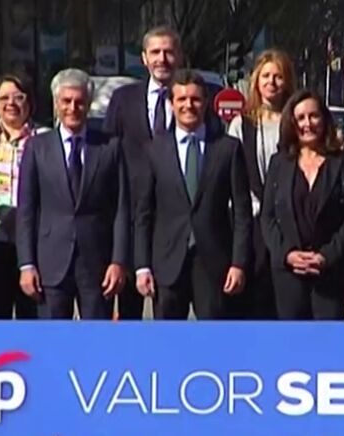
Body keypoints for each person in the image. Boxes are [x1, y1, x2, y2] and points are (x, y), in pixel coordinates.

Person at [134, 70, 251, 319]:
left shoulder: (227, 149)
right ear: (171, 103)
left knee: (213, 338)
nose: (188, 105)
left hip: (214, 264)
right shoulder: (154, 150)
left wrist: (238, 263)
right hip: (167, 263)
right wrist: (142, 266)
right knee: (167, 339)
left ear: (206, 102)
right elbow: (144, 213)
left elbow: (242, 213)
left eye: (195, 99)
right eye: (182, 99)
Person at [16, 68, 129, 319]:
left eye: (79, 102)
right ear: (56, 104)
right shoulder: (37, 147)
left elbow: (121, 208)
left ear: (88, 105)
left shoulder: (110, 146)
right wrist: (26, 264)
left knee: (96, 338)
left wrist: (118, 261)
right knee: (53, 338)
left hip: (97, 263)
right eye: (66, 101)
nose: (72, 108)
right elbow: (27, 210)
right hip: (50, 263)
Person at [102, 26, 187, 320]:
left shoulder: (191, 99)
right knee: (129, 313)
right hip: (130, 213)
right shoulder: (123, 99)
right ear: (144, 58)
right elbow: (108, 154)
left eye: (169, 52)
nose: (162, 59)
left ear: (179, 56)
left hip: (173, 219)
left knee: (169, 311)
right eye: (155, 52)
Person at [260, 90, 344, 320]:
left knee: (326, 340)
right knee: (291, 340)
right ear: (292, 123)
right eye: (301, 118)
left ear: (324, 119)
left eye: (314, 116)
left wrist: (326, 256)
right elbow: (267, 217)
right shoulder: (279, 163)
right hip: (288, 275)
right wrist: (287, 254)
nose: (308, 124)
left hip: (331, 274)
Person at [226, 48, 296, 319]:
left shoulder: (295, 123)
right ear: (256, 81)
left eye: (278, 76)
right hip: (253, 222)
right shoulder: (241, 124)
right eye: (265, 76)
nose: (271, 82)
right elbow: (234, 177)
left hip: (288, 222)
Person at [0, 73, 48, 319]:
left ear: (30, 101)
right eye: (4, 98)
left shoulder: (47, 139)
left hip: (34, 238)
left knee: (32, 312)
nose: (11, 103)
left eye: (19, 97)